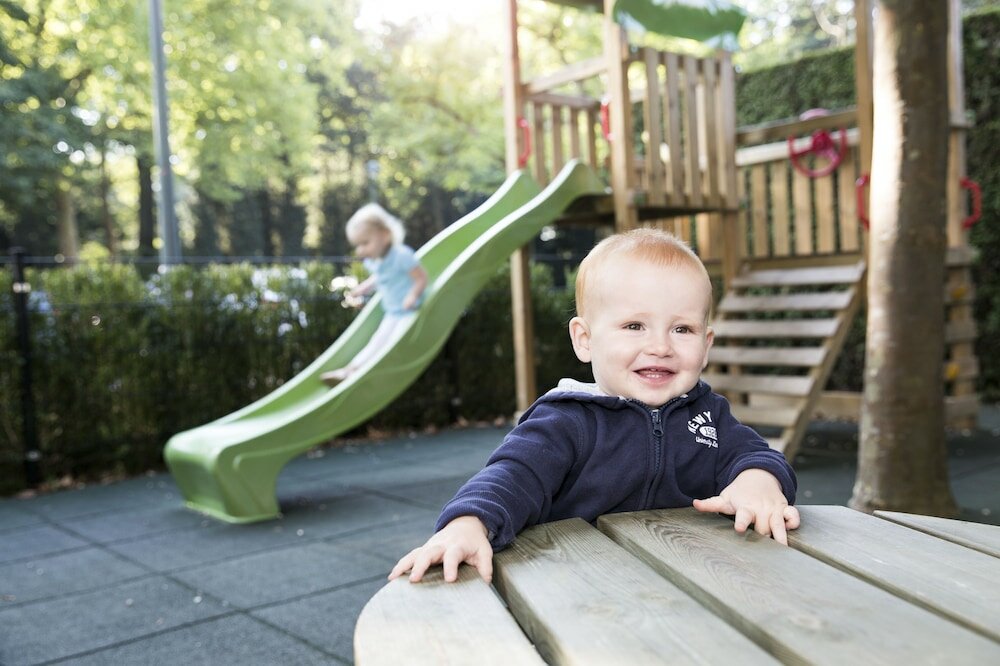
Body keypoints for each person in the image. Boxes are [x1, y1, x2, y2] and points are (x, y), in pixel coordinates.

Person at [390, 228, 799, 584]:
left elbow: (755, 454)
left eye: (682, 329)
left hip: (691, 579)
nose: (660, 346)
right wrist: (467, 524)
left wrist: (758, 482)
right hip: (577, 583)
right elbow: (512, 476)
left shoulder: (707, 414)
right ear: (585, 339)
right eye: (634, 326)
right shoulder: (567, 419)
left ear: (706, 345)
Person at [321, 203, 427, 385]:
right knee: (377, 340)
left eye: (365, 243)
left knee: (393, 342)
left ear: (385, 235)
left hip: (410, 311)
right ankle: (350, 370)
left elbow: (421, 278)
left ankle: (368, 373)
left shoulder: (401, 255)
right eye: (357, 245)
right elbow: (379, 277)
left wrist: (413, 295)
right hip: (393, 311)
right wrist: (363, 288)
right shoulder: (376, 261)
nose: (360, 250)